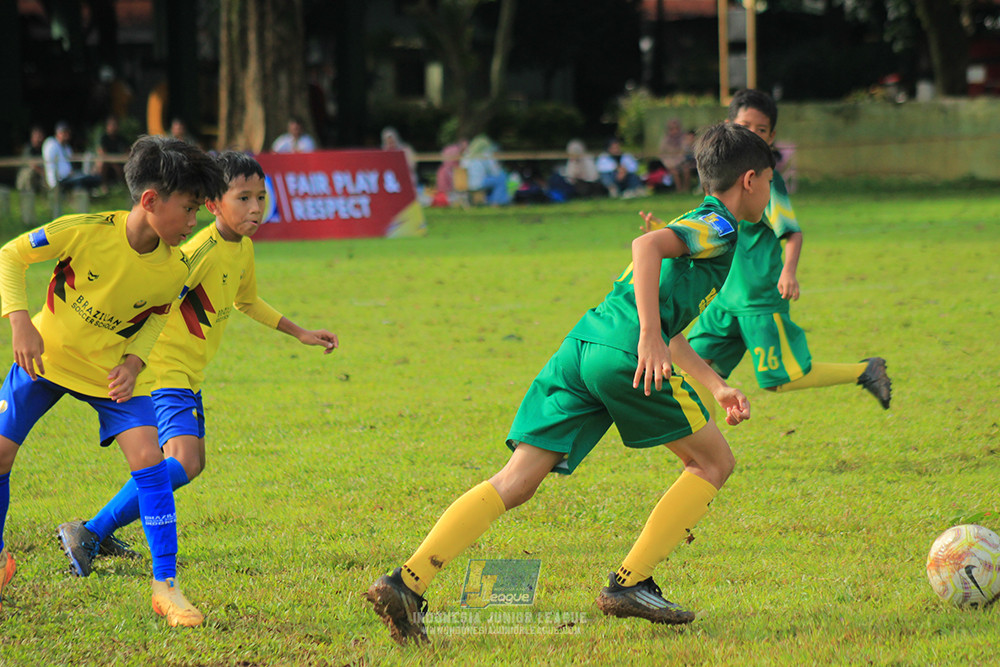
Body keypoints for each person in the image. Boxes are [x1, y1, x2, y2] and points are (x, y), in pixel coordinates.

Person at [363, 122, 776, 644]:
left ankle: (408, 582)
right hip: (624, 353)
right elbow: (645, 249)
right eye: (769, 182)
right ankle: (631, 582)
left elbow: (658, 312)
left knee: (515, 481)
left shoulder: (694, 221)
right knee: (714, 462)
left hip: (583, 348)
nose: (769, 193)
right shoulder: (720, 227)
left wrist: (714, 383)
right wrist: (649, 335)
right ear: (748, 179)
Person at [57, 151, 339, 578]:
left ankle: (96, 530)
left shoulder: (241, 248)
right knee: (184, 462)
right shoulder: (197, 252)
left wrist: (299, 331)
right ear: (212, 204)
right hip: (164, 370)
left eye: (260, 198)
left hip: (189, 373)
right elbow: (155, 297)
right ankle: (92, 531)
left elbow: (246, 299)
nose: (256, 208)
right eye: (243, 198)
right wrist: (127, 358)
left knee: (190, 463)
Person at [0, 135, 227, 626]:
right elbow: (11, 255)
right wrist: (20, 321)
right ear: (150, 201)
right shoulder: (83, 230)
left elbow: (156, 317)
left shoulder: (174, 269)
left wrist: (133, 364)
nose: (194, 222)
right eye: (189, 210)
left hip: (110, 378)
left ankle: (166, 588)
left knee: (151, 459)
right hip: (45, 358)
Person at [682, 90, 892, 415]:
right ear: (728, 126)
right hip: (722, 297)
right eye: (744, 125)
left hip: (758, 299)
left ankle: (864, 371)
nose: (752, 133)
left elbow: (791, 232)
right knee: (695, 367)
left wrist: (788, 271)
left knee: (777, 379)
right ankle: (701, 445)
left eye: (761, 130)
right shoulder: (722, 175)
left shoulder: (766, 182)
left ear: (771, 137)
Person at [41, 122, 103, 193]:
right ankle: (77, 199)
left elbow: (69, 164)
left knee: (95, 178)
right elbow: (50, 166)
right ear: (58, 132)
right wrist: (53, 184)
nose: (67, 135)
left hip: (70, 176)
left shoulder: (67, 147)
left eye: (68, 132)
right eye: (64, 132)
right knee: (80, 181)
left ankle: (90, 196)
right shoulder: (51, 145)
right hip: (60, 180)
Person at [460, 135, 510, 206]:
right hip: (480, 183)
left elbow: (463, 167)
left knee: (498, 179)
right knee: (502, 178)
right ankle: (497, 202)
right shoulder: (485, 155)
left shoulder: (467, 155)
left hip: (467, 183)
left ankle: (495, 200)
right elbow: (495, 172)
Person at [658, 118, 695, 193]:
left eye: (676, 128)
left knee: (686, 169)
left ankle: (686, 189)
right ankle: (679, 190)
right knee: (675, 172)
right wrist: (669, 163)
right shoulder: (665, 140)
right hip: (670, 163)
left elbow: (686, 151)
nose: (675, 131)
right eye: (672, 129)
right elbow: (662, 155)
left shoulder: (683, 138)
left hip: (682, 162)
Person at [96, 115, 130, 190]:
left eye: (115, 125)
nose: (114, 127)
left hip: (120, 162)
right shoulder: (104, 138)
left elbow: (128, 152)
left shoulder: (121, 139)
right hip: (108, 162)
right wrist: (113, 163)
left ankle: (125, 187)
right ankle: (103, 185)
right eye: (112, 125)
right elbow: (102, 153)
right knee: (101, 163)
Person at [15, 126, 46, 195]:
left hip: (38, 174)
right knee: (31, 172)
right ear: (33, 137)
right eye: (38, 137)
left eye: (41, 137)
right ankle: (28, 193)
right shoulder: (28, 149)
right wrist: (43, 172)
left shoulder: (42, 149)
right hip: (25, 176)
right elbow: (32, 165)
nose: (39, 139)